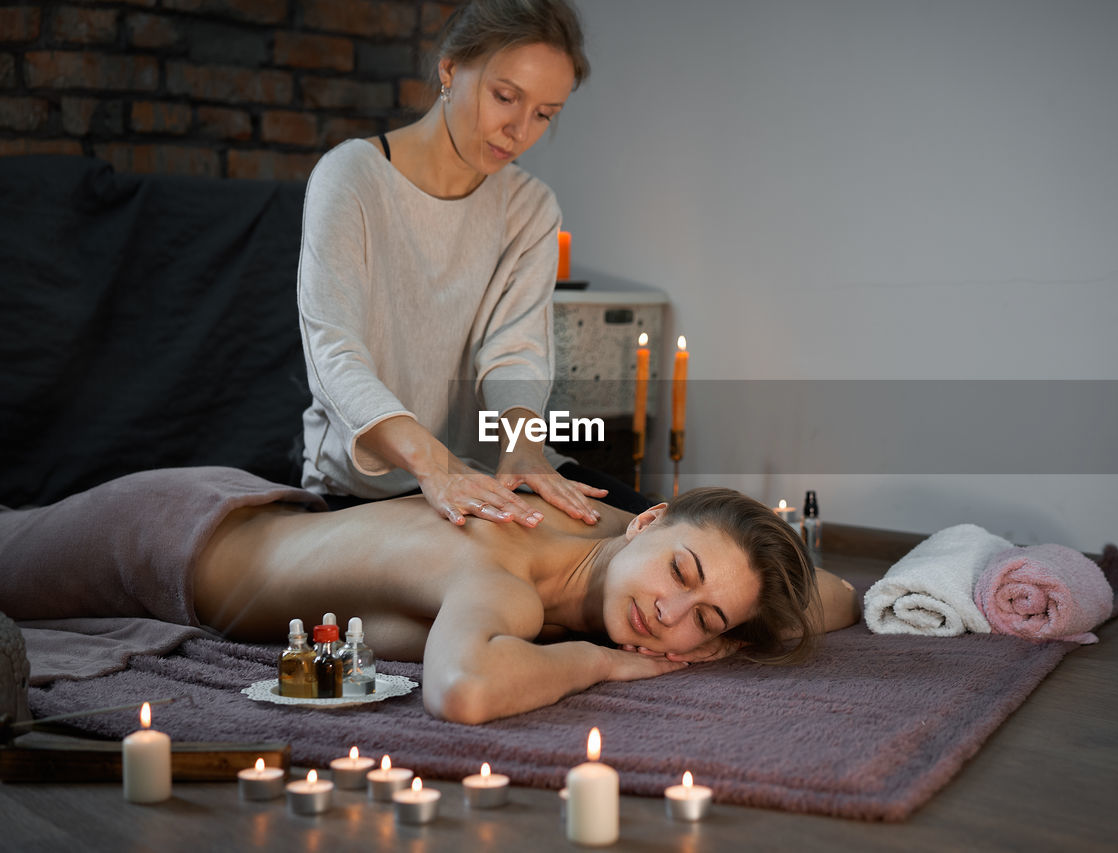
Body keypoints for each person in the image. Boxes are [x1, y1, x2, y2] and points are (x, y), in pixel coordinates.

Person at [0, 468, 860, 724]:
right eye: (680, 577)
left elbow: (834, 593)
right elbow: (466, 690)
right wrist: (601, 662)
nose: (667, 617)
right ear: (649, 522)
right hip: (157, 541)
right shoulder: (505, 581)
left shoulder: (615, 534)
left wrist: (725, 632)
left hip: (258, 515)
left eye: (704, 619)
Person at [298, 0, 631, 528]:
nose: (519, 131)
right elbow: (334, 356)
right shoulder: (350, 178)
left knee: (659, 528)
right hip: (371, 490)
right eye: (505, 97)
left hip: (488, 474)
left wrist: (522, 449)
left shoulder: (531, 207)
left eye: (544, 114)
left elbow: (515, 350)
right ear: (449, 68)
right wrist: (436, 466)